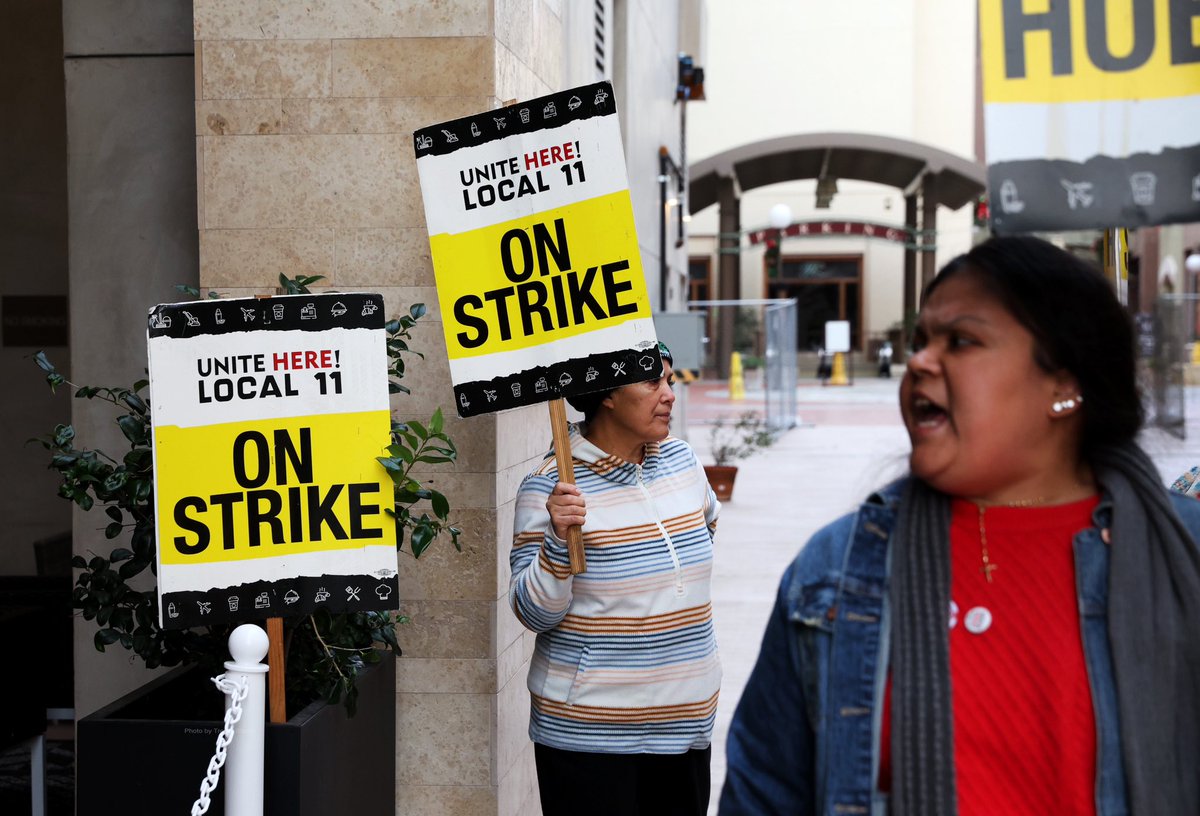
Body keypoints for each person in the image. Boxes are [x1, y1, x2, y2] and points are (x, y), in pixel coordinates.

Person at [719, 236, 1200, 815]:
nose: (919, 360)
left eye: (962, 341)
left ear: (1065, 385)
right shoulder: (838, 569)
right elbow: (763, 795)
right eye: (920, 341)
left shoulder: (1180, 555)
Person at [509, 342, 722, 816]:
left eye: (670, 380)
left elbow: (708, 522)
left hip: (686, 730)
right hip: (590, 741)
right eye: (654, 382)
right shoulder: (550, 487)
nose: (670, 395)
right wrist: (558, 542)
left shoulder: (683, 461)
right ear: (607, 393)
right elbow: (532, 611)